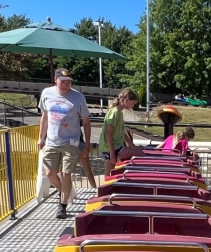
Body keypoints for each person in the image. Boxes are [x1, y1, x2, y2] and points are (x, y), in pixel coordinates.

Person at [38, 68, 91, 219]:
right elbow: (44, 117)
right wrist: (40, 138)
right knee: (50, 173)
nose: (66, 85)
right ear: (55, 80)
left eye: (69, 82)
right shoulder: (47, 93)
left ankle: (62, 206)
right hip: (52, 141)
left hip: (71, 141)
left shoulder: (78, 97)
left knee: (66, 174)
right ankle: (64, 192)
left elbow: (86, 121)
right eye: (63, 82)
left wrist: (86, 142)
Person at [99, 88, 139, 169]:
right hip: (111, 148)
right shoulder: (115, 112)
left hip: (115, 147)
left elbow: (122, 133)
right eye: (132, 103)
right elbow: (108, 134)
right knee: (140, 153)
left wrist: (133, 146)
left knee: (110, 173)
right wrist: (112, 153)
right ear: (126, 100)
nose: (133, 106)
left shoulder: (119, 112)